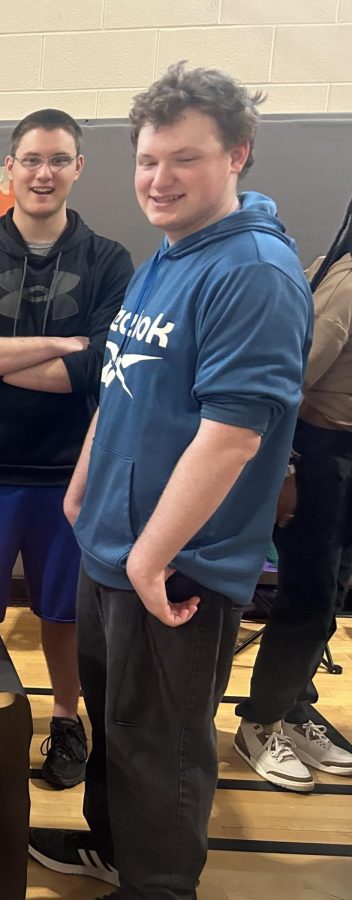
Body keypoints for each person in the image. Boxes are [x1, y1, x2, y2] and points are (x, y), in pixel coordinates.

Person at [28, 64, 312, 899]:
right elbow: (123, 384)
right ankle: (114, 850)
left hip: (176, 564)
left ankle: (158, 885)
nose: (159, 179)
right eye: (149, 160)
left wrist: (152, 557)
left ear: (238, 154)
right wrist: (81, 487)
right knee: (120, 730)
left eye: (183, 159)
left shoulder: (253, 270)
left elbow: (232, 436)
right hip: (113, 544)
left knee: (163, 743)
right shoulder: (170, 255)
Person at [0, 109, 133, 790]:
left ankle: (67, 721)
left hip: (68, 475)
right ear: (7, 169)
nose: (44, 173)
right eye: (32, 159)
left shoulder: (109, 261)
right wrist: (59, 346)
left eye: (59, 159)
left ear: (78, 169)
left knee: (65, 614)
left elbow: (103, 363)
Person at [233, 198, 352, 791]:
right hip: (322, 461)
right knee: (309, 598)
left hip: (342, 463)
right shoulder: (346, 281)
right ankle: (262, 720)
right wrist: (289, 467)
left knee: (332, 595)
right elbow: (286, 382)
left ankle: (294, 701)